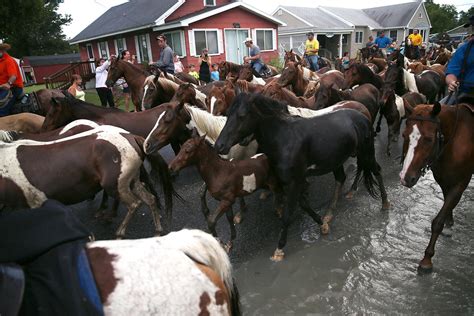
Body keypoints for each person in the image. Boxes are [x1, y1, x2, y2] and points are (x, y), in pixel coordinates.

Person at [443, 15, 474, 104]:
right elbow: (451, 72)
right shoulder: (463, 49)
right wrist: (452, 82)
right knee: (438, 111)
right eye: (473, 27)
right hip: (466, 93)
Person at [0, 41, 24, 116]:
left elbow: (13, 76)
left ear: (2, 50)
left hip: (13, 88)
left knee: (1, 108)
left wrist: (8, 83)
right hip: (2, 88)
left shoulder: (8, 60)